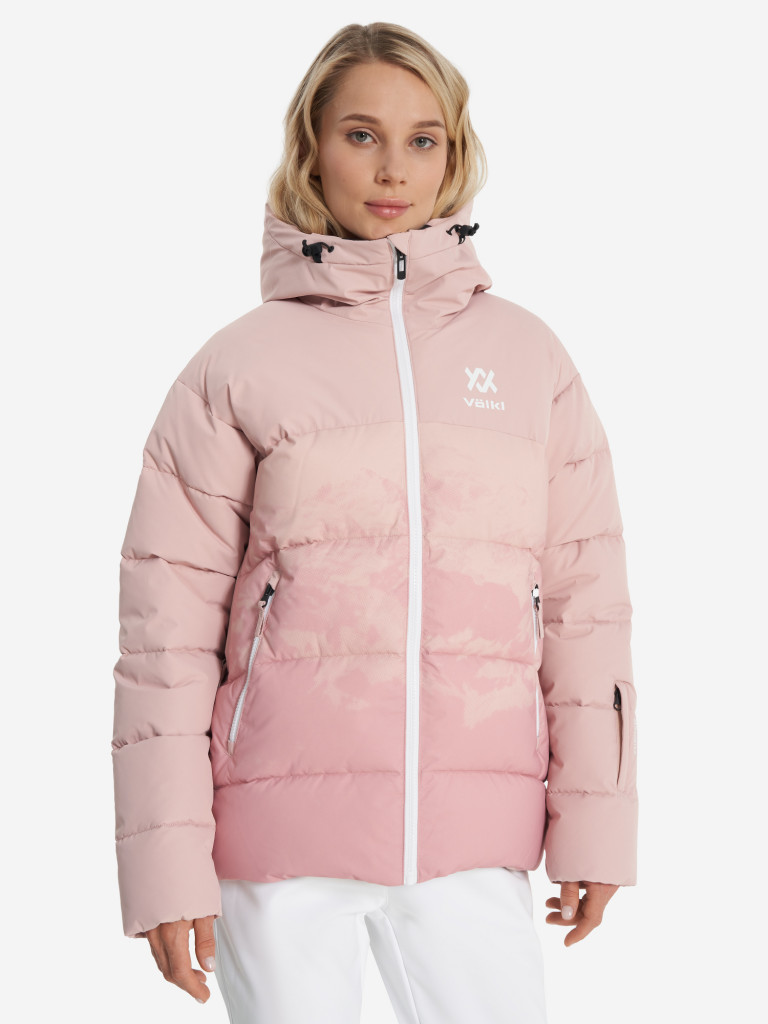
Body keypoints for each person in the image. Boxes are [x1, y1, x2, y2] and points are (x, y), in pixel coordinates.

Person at [111, 20, 638, 1023]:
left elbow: (585, 609)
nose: (394, 167)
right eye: (361, 134)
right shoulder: (239, 366)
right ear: (311, 146)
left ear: (454, 154)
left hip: (475, 832)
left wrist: (596, 824)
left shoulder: (529, 360)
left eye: (422, 139)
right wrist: (164, 864)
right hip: (278, 845)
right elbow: (162, 637)